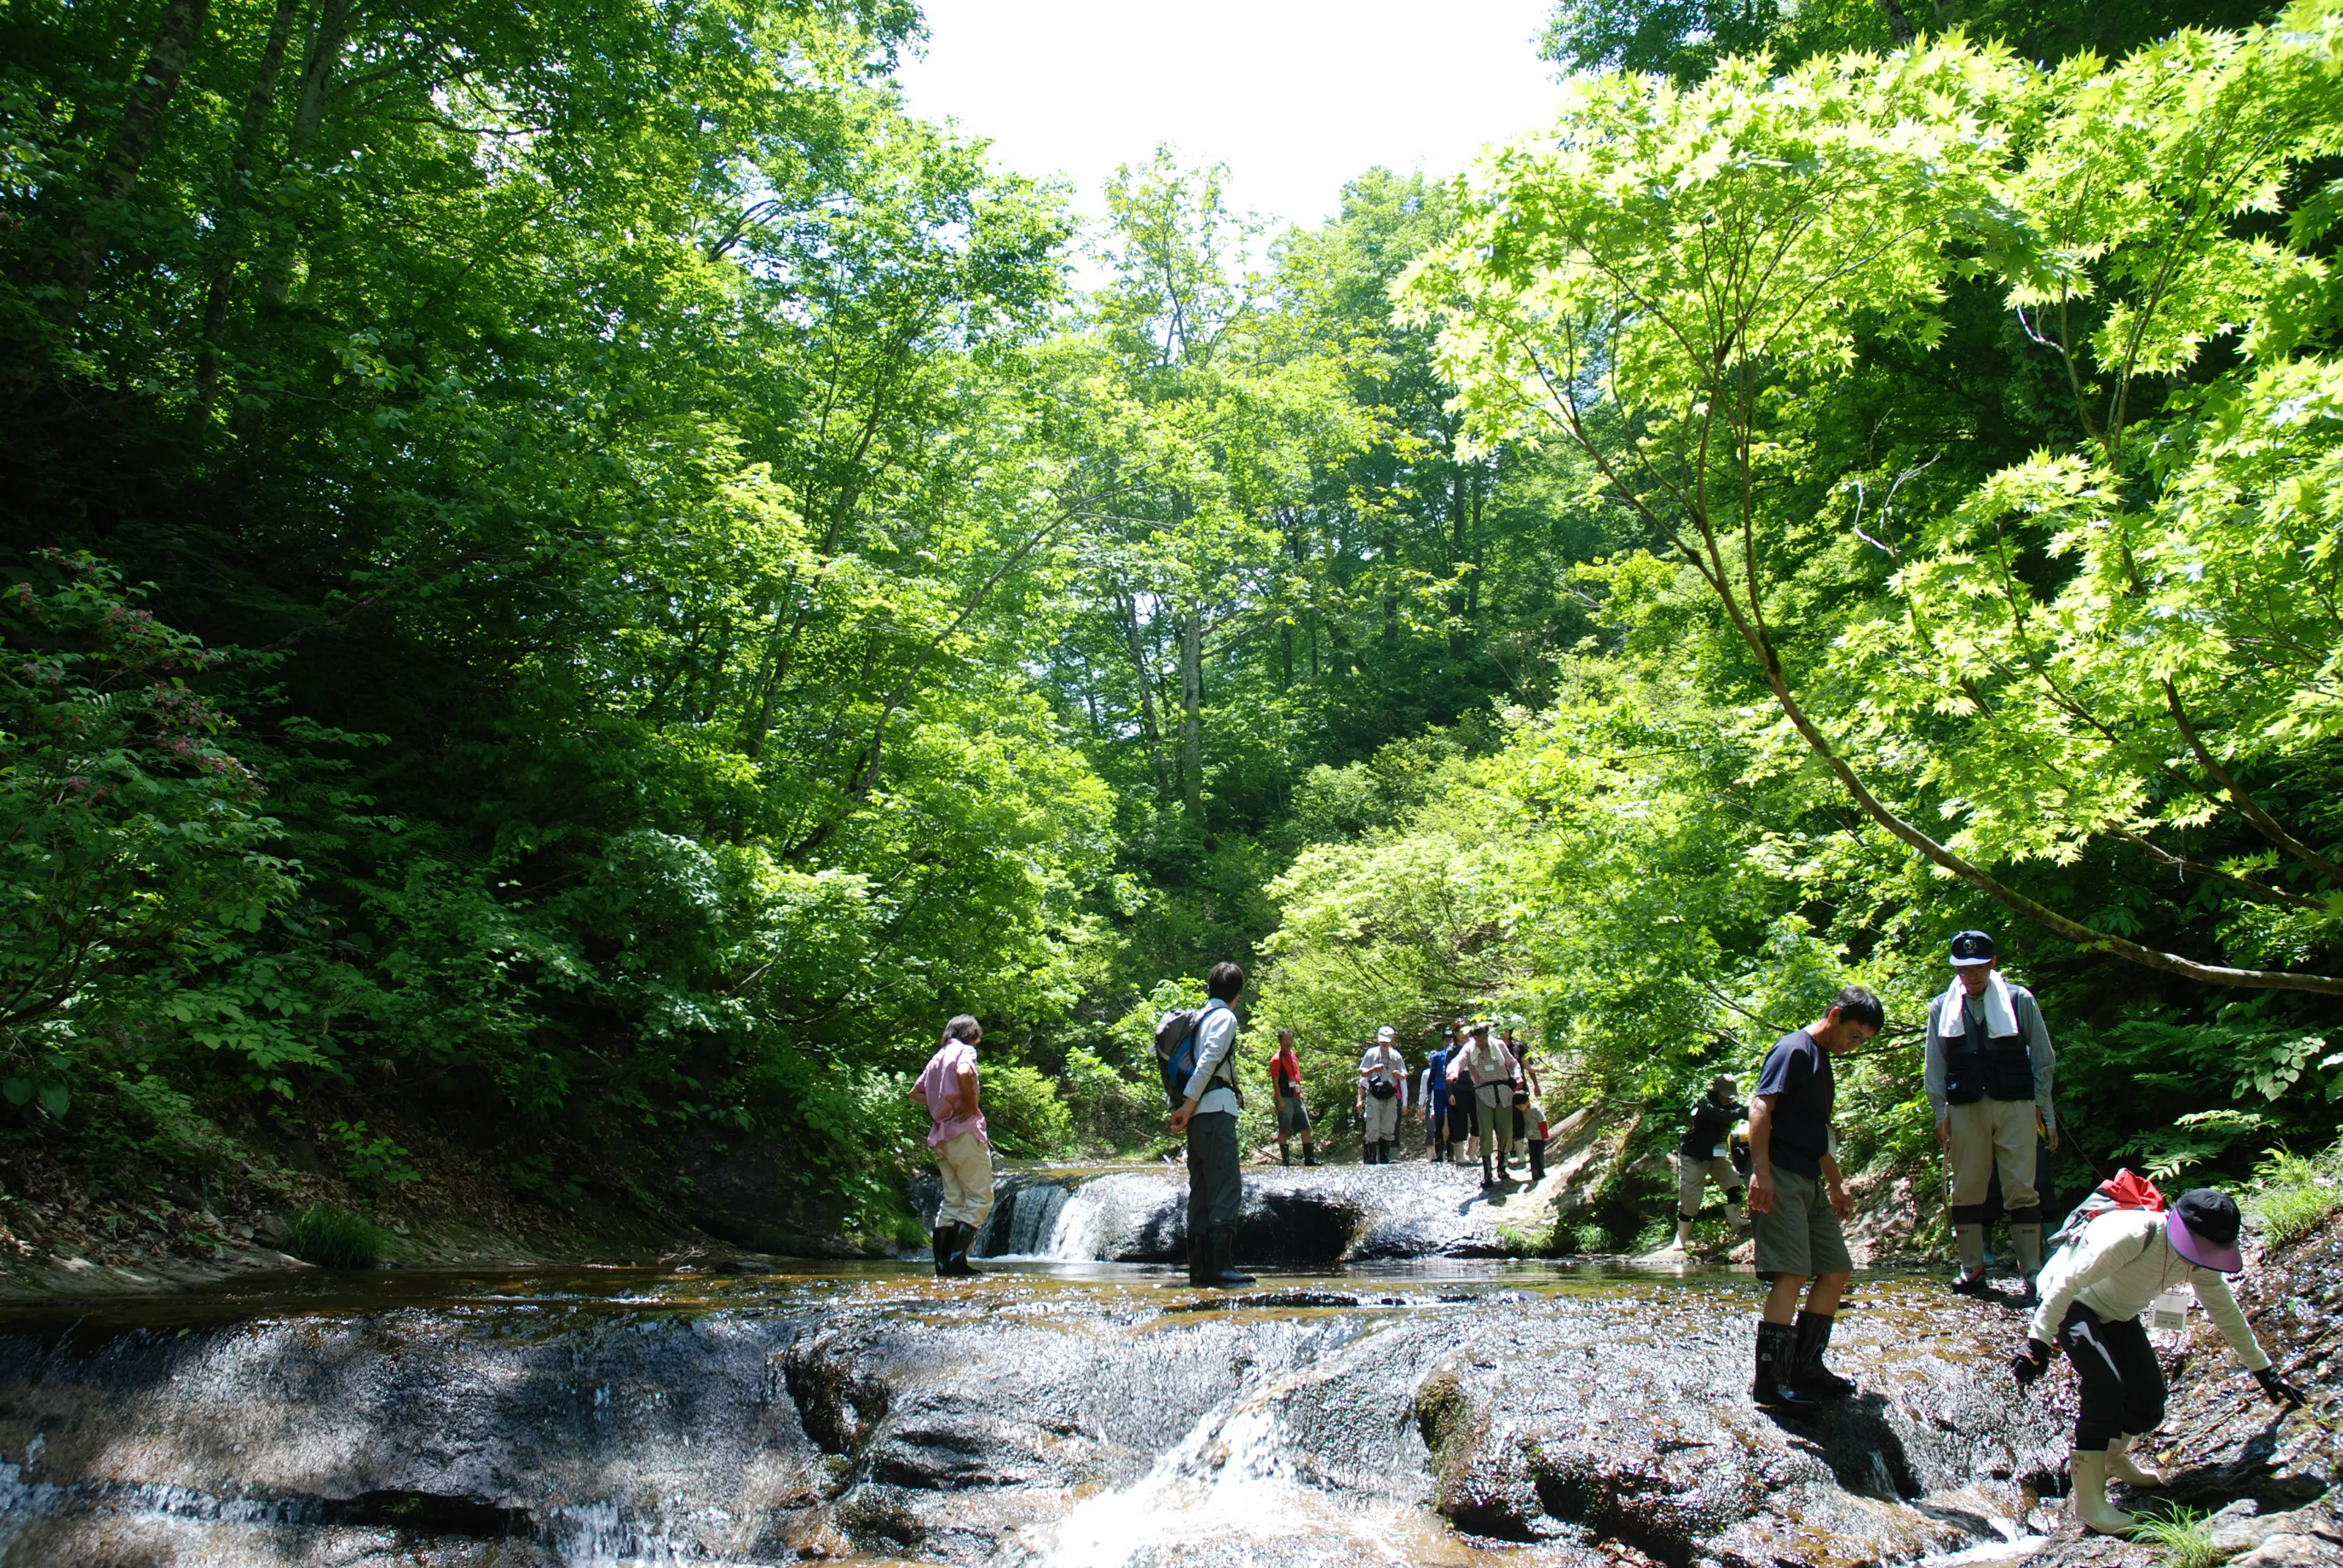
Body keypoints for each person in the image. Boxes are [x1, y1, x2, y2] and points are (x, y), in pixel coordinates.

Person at [2012, 1187, 2305, 1537]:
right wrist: (2037, 1343)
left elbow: (2225, 1311)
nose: (2201, 1258)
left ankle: (2112, 1458)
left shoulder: (2199, 1261)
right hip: (2072, 1301)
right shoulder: (2134, 1236)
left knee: (2149, 1398)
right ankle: (2089, 1504)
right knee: (2104, 1384)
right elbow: (2066, 1284)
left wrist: (2263, 1369)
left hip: (2117, 1313)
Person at [1748, 987, 1882, 1408]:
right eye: (1855, 1035)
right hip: (1782, 1173)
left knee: (1836, 1269)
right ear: (1835, 1015)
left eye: (1863, 1041)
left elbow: (1816, 1132)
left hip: (1809, 1179)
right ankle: (1770, 1382)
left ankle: (1806, 1367)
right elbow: (1760, 1108)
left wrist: (1836, 1184)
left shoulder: (1821, 1059)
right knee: (1792, 1272)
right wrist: (1762, 1173)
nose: (1854, 1046)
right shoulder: (1795, 1050)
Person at [1924, 930, 2060, 1296]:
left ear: (1993, 963)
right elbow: (1935, 1066)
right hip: (1964, 1108)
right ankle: (1972, 1269)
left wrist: (2043, 1111)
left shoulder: (2019, 1000)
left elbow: (2044, 1060)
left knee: (2022, 1188)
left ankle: (2032, 1271)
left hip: (2017, 1106)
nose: (1971, 975)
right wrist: (1939, 1113)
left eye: (1978, 967)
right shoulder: (1941, 1007)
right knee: (1967, 1188)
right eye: (1963, 968)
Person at [1167, 962, 1256, 1288]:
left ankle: (1199, 1269)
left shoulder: (1199, 1019)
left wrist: (1184, 1107)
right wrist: (1188, 1105)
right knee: (1225, 1186)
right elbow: (1208, 1061)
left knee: (1202, 1188)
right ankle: (1221, 1268)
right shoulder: (1224, 1018)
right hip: (1215, 1110)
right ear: (1237, 994)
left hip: (1197, 1117)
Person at [910, 1015, 991, 1278]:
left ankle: (942, 1266)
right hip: (964, 1132)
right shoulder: (965, 1051)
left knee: (953, 1200)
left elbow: (914, 1094)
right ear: (970, 1034)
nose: (978, 1041)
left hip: (941, 1137)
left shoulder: (937, 1057)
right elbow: (964, 1072)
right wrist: (968, 1104)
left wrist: (940, 1103)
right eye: (977, 1036)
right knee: (980, 1198)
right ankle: (956, 1262)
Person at [1675, 1075, 1750, 1252]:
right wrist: (1748, 1111)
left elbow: (1740, 1113)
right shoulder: (1706, 1106)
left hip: (1716, 1157)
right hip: (1693, 1157)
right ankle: (1681, 1239)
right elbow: (1724, 1117)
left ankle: (1737, 1223)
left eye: (1731, 1096)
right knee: (1690, 1200)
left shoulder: (1731, 1107)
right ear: (1716, 1092)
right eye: (1725, 1095)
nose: (1728, 1099)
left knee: (1734, 1185)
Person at [1463, 1023, 1519, 1188]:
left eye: (1482, 1038)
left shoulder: (1499, 1045)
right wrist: (1452, 1072)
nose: (1480, 1041)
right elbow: (1458, 1061)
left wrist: (1517, 1076)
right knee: (1485, 1132)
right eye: (1477, 1038)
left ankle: (1502, 1166)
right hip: (1483, 1092)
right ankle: (1487, 1173)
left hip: (1504, 1091)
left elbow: (1512, 1063)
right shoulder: (1469, 1049)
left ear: (1487, 1035)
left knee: (1506, 1131)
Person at [1356, 1026, 1409, 1165]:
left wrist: (1399, 1075)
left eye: (1387, 1041)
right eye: (1382, 1041)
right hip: (1374, 1092)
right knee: (1372, 1126)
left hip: (1390, 1093)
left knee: (1388, 1126)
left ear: (1392, 1040)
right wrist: (1373, 1069)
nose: (1384, 1043)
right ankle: (1372, 1157)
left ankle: (1385, 1157)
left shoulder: (1396, 1055)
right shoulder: (1371, 1053)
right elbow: (1362, 1072)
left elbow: (1404, 1074)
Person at [1268, 1028, 1320, 1167]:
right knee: (1285, 1129)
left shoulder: (1293, 1056)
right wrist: (1280, 1101)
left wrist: (1300, 1092)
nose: (1288, 1042)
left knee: (1306, 1128)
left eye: (1290, 1039)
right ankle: (1286, 1161)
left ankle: (1309, 1159)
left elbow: (1296, 1076)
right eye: (1286, 1040)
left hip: (1297, 1097)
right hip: (1284, 1098)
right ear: (1280, 1041)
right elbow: (1275, 1082)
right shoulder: (1276, 1059)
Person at [1420, 1030, 1453, 1161]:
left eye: (1451, 1040)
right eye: (1446, 1040)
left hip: (1453, 1092)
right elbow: (1431, 1077)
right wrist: (1429, 1095)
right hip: (1439, 1091)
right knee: (1439, 1122)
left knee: (1453, 1122)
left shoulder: (1458, 1055)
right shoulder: (1437, 1057)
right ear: (1443, 1042)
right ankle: (1439, 1153)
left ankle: (1451, 1153)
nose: (1448, 1043)